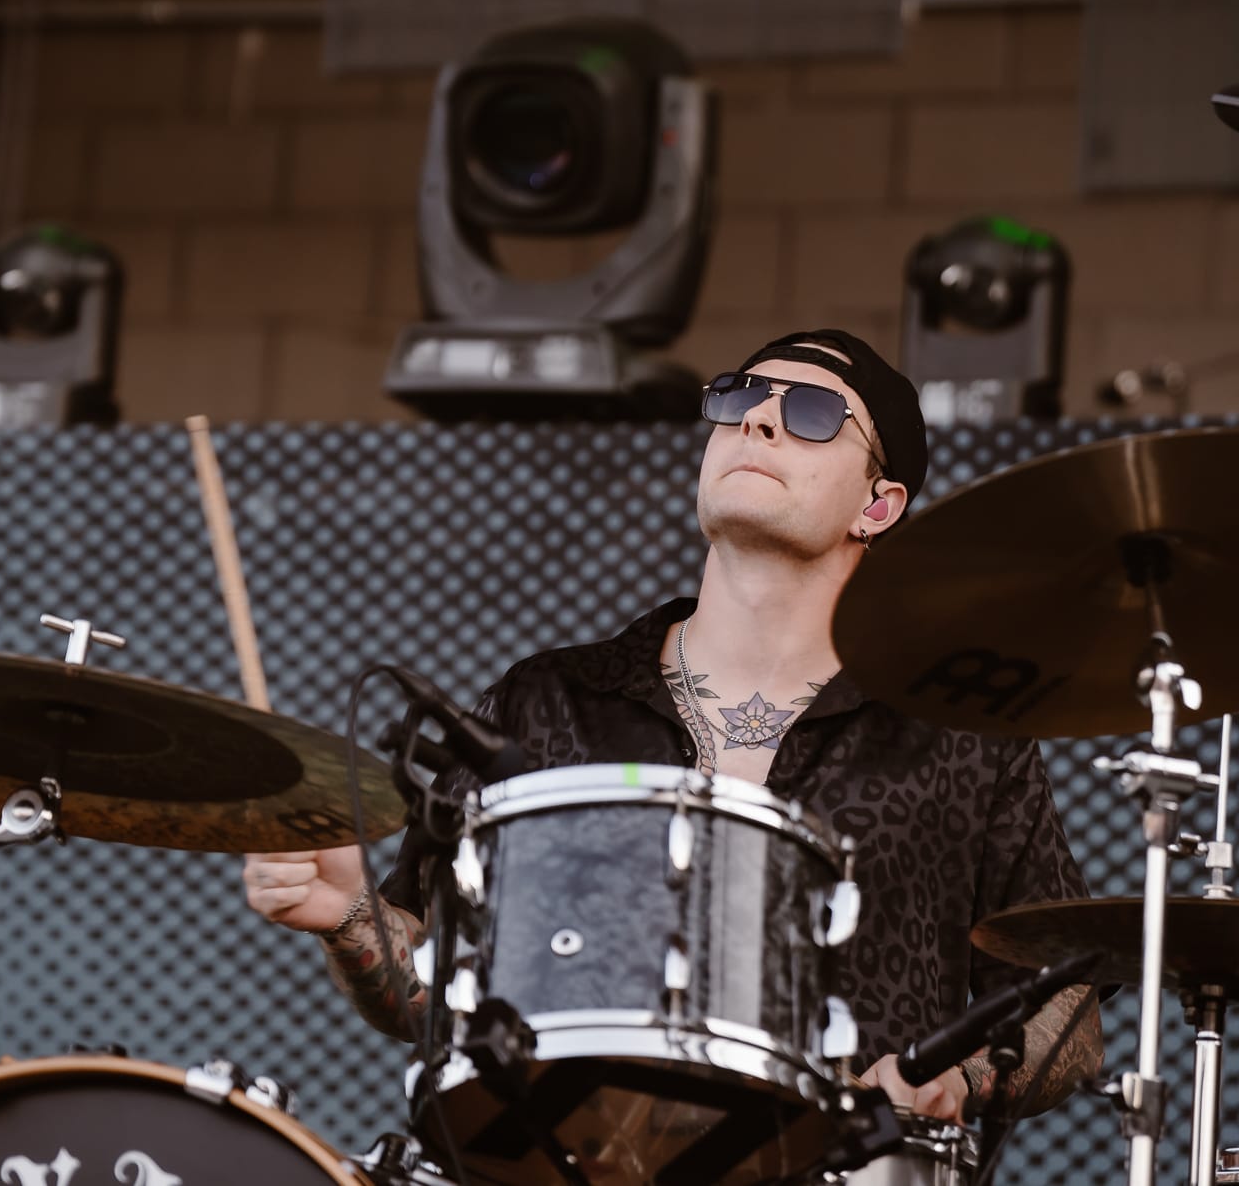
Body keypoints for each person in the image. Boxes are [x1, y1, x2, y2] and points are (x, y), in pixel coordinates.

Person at [243, 328, 1103, 1124]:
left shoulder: (957, 732)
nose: (758, 420)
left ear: (877, 507)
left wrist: (962, 1078)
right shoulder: (549, 701)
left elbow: (1067, 1008)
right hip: (569, 1159)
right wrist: (349, 915)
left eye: (812, 413)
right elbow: (433, 991)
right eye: (740, 396)